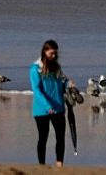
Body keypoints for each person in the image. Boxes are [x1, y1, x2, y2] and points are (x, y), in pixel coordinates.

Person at [30, 39, 68, 167]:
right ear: (44, 52)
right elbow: (37, 90)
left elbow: (63, 82)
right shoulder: (35, 69)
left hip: (58, 107)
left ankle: (59, 164)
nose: (54, 56)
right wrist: (48, 106)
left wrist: (69, 85)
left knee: (60, 137)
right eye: (51, 53)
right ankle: (41, 165)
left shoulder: (57, 67)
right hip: (42, 109)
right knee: (43, 137)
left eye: (55, 54)